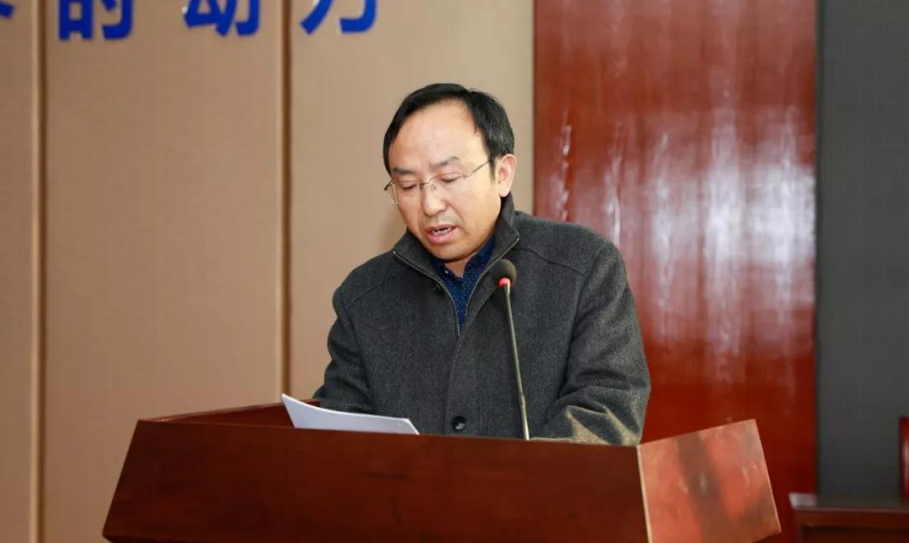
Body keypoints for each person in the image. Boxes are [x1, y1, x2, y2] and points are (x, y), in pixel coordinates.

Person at [315, 83, 650, 444]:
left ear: (502, 174)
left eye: (449, 178)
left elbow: (606, 410)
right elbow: (340, 429)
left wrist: (509, 475)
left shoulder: (584, 266)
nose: (430, 205)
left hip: (538, 483)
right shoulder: (363, 297)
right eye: (408, 186)